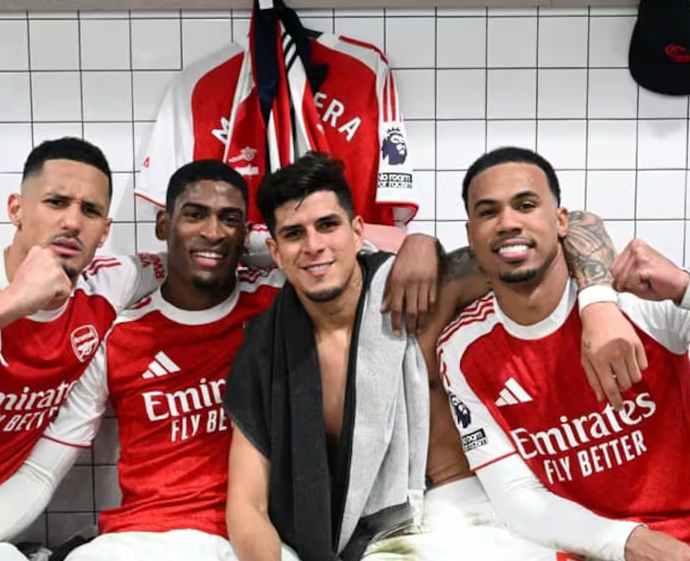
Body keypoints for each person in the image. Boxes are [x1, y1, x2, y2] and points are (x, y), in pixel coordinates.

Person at [0, 159, 441, 560]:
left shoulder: (274, 302)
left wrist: (422, 242)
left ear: (246, 235)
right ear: (164, 224)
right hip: (138, 540)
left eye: (229, 219)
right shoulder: (120, 332)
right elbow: (42, 470)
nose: (213, 232)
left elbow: (331, 249)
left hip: (247, 539)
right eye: (194, 215)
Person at [223, 152, 643, 561]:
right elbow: (247, 505)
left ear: (357, 231)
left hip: (485, 512)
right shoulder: (267, 354)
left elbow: (574, 225)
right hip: (382, 538)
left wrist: (598, 303)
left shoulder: (422, 289)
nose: (314, 246)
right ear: (275, 251)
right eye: (294, 234)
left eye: (328, 225)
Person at [436, 147, 690, 561]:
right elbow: (517, 497)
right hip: (603, 548)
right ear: (470, 235)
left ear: (561, 221)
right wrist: (627, 541)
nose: (508, 222)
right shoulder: (462, 349)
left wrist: (687, 287)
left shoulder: (642, 298)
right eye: (488, 212)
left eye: (526, 205)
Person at [0, 137, 165, 499]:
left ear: (104, 232)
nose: (73, 222)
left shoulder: (108, 283)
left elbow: (195, 258)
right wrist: (13, 301)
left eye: (90, 211)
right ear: (16, 210)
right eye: (56, 202)